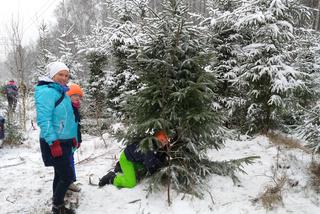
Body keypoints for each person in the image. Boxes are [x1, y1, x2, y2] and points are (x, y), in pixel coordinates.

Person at [34, 61, 78, 214]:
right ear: (52, 74)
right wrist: (53, 142)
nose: (64, 78)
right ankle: (57, 206)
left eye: (66, 75)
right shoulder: (47, 91)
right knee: (67, 177)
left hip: (64, 140)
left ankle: (57, 201)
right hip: (53, 141)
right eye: (60, 74)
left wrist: (73, 137)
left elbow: (68, 118)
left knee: (60, 174)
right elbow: (44, 120)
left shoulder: (61, 91)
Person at [98, 130, 169, 188]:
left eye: (165, 141)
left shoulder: (153, 144)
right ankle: (111, 178)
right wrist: (162, 172)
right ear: (156, 139)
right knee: (131, 183)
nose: (164, 143)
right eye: (162, 141)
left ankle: (120, 167)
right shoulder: (149, 148)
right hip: (126, 160)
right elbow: (151, 166)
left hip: (134, 159)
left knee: (142, 170)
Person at [66, 83, 84, 192]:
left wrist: (79, 139)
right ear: (69, 96)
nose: (77, 98)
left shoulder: (75, 108)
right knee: (67, 161)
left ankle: (70, 181)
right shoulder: (67, 108)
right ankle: (68, 182)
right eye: (74, 95)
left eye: (79, 95)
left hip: (73, 139)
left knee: (70, 160)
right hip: (67, 140)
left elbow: (77, 125)